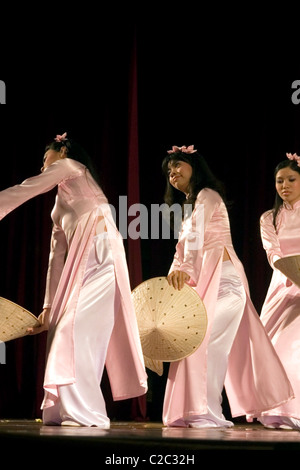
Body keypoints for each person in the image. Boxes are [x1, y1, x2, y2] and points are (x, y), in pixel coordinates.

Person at [0, 132, 147, 427]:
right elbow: (56, 258)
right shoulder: (59, 206)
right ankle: (68, 409)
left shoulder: (71, 167)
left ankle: (87, 412)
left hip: (101, 253)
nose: (44, 165)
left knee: (74, 331)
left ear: (62, 150)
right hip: (81, 264)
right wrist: (48, 306)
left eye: (46, 158)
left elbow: (25, 189)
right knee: (65, 332)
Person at [161, 145, 294, 428]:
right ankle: (195, 410)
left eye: (178, 165)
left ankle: (205, 410)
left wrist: (185, 269)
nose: (172, 172)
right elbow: (182, 247)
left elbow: (196, 237)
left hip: (225, 282)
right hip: (204, 282)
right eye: (169, 169)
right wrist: (176, 269)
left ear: (195, 167)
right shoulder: (190, 205)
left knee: (208, 343)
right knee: (195, 343)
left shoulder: (207, 196)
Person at [257, 152, 300, 430]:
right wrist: (289, 271)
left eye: (292, 179)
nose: (285, 185)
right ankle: (278, 410)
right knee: (270, 349)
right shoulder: (269, 218)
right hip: (284, 282)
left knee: (294, 349)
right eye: (279, 181)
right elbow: (271, 251)